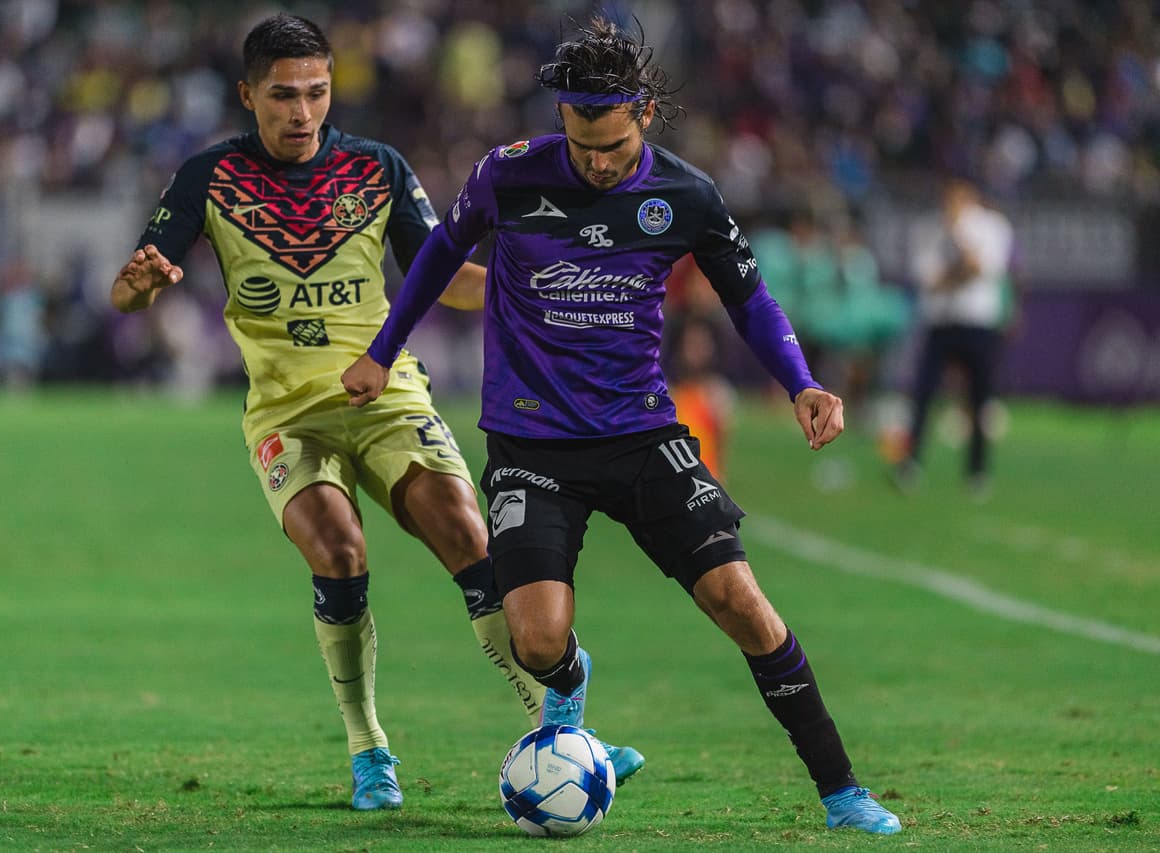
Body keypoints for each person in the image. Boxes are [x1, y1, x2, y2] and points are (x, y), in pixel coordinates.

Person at [342, 17, 901, 834]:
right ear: (561, 116)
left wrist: (802, 383)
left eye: (609, 145)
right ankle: (567, 681)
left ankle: (842, 790)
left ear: (642, 111)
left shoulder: (686, 195)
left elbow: (749, 298)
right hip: (532, 445)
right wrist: (382, 351)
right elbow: (434, 257)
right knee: (534, 639)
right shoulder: (508, 176)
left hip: (642, 437)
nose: (596, 162)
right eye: (580, 142)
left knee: (742, 603)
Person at [109, 14, 644, 813]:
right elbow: (126, 291)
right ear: (248, 94)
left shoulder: (377, 169)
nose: (302, 113)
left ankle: (557, 731)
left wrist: (530, 284)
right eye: (284, 96)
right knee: (340, 551)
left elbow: (442, 272)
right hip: (289, 414)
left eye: (317, 93)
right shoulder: (208, 178)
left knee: (469, 536)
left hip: (386, 393)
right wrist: (139, 284)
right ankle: (369, 749)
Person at [898, 176, 1016, 497]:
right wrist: (957, 270)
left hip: (978, 322)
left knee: (979, 398)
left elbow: (983, 269)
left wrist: (958, 240)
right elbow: (929, 280)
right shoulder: (928, 228)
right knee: (923, 394)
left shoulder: (993, 227)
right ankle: (909, 462)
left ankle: (977, 471)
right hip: (941, 322)